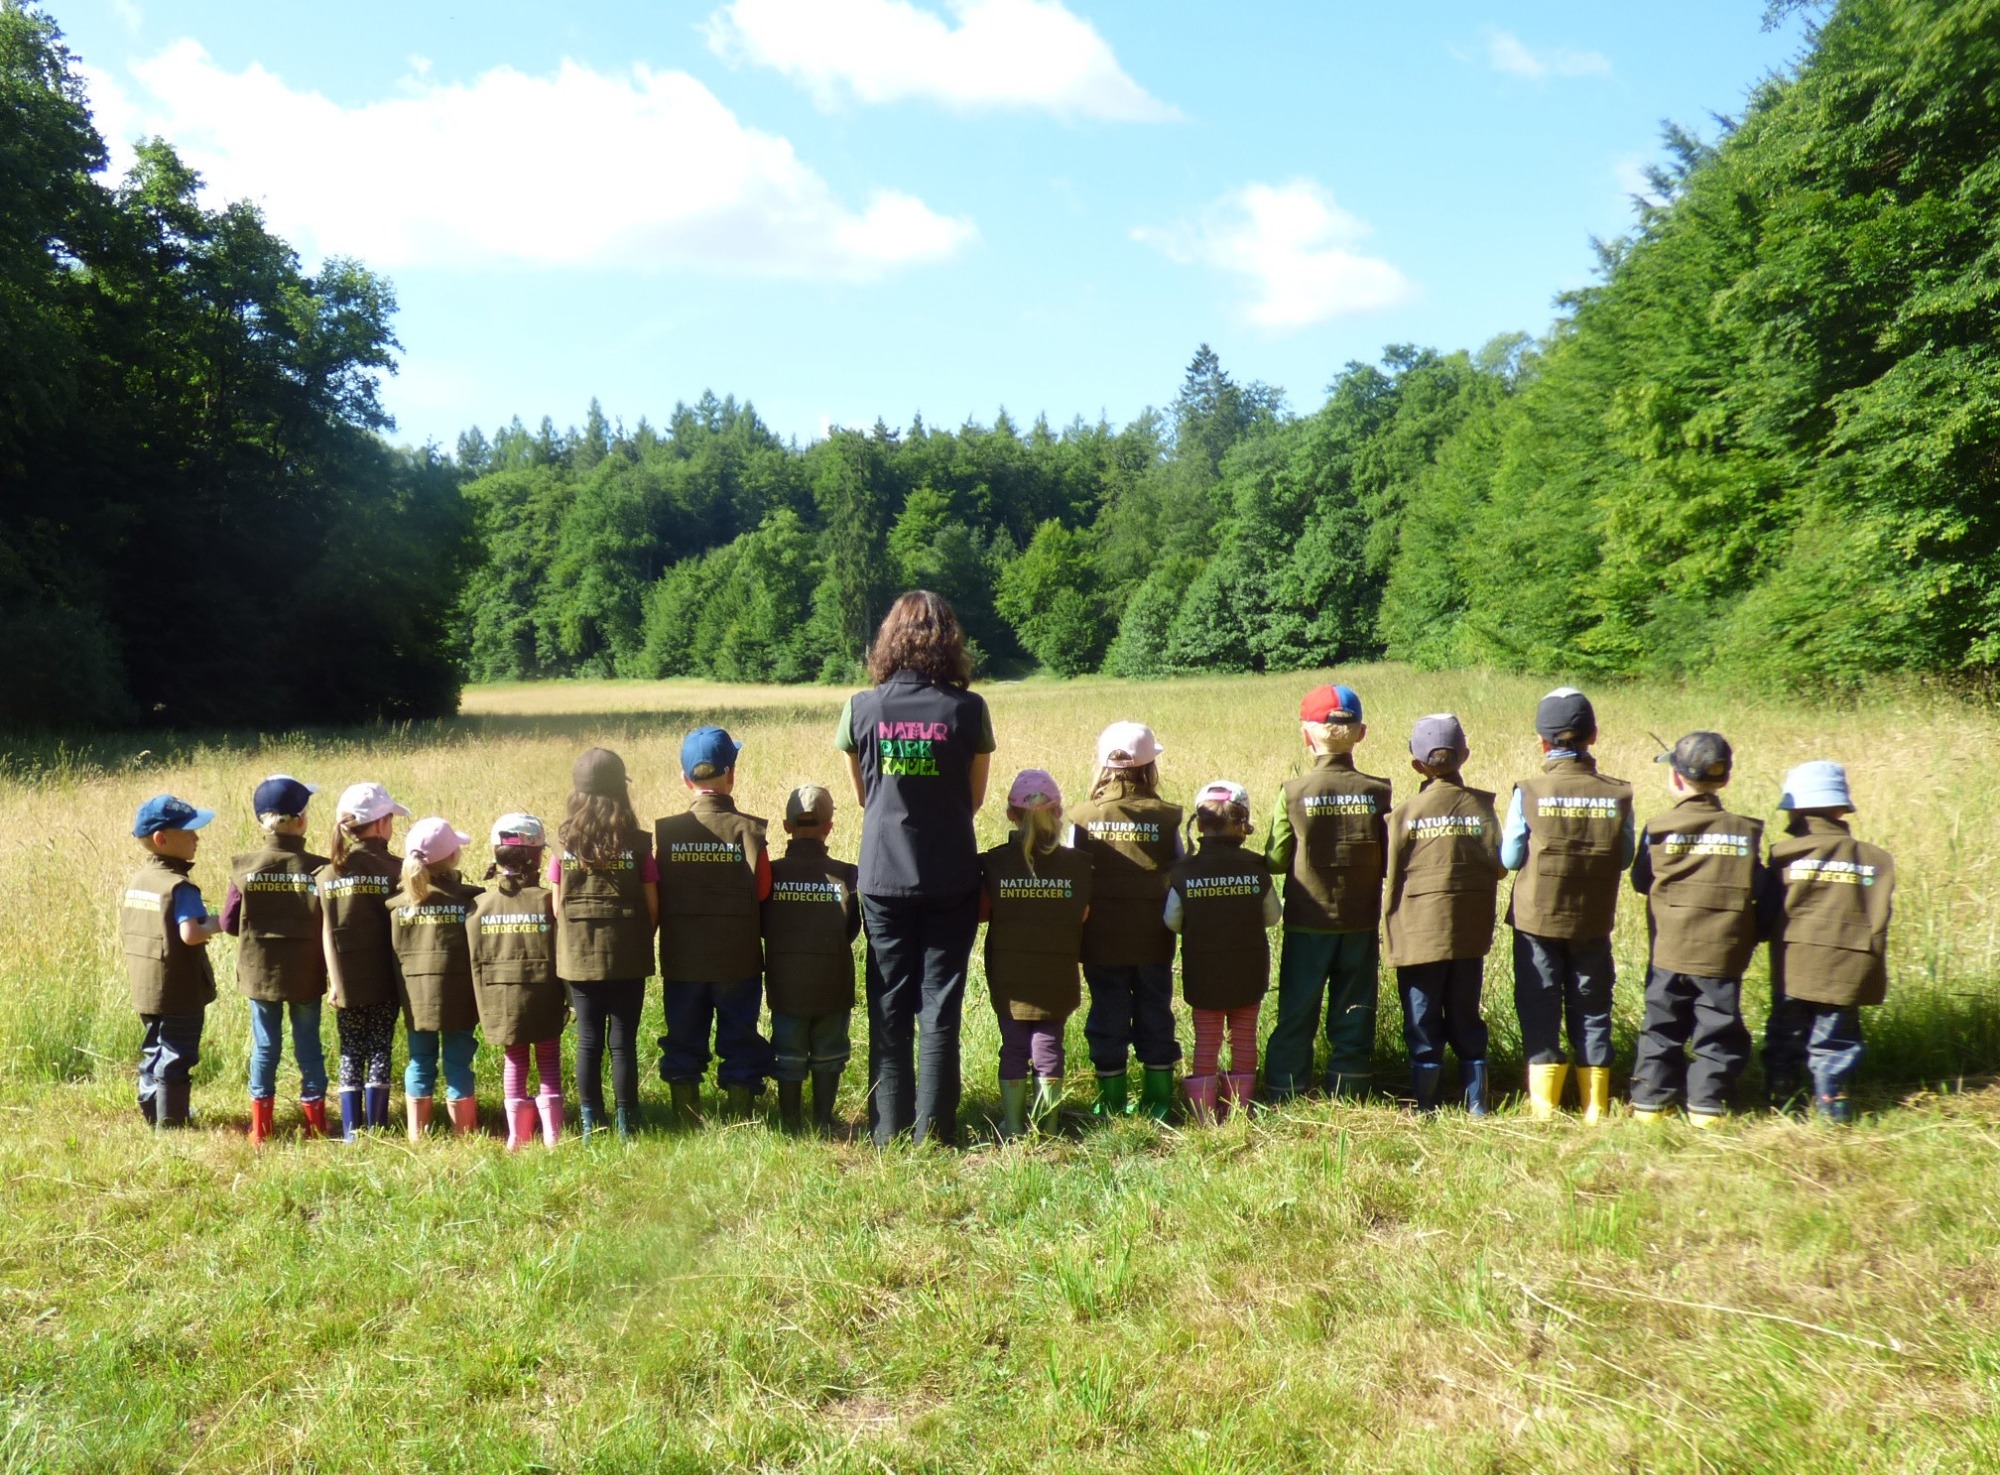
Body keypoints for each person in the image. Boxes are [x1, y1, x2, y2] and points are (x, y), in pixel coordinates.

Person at [838, 591, 995, 1148]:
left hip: (883, 874)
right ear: (950, 641)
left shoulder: (861, 708)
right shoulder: (969, 710)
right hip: (952, 871)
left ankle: (887, 1130)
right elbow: (973, 798)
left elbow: (863, 794)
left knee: (887, 1002)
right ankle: (936, 1130)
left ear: (889, 641)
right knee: (940, 1003)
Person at [1500, 688, 1634, 1124]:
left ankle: (1545, 1107)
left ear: (1542, 741)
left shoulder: (1530, 791)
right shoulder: (1618, 794)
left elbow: (1510, 858)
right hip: (1593, 919)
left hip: (1536, 919)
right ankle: (1596, 1106)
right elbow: (1626, 856)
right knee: (1592, 1003)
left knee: (1539, 1001)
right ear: (1593, 735)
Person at [1263, 684, 1392, 1102]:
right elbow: (1387, 857)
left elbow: (1277, 858)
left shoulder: (1293, 792)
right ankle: (1349, 1088)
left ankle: (1286, 1087)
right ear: (1362, 733)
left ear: (1306, 735)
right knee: (1355, 1009)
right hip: (1360, 920)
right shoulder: (1378, 792)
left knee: (1297, 1009)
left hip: (1307, 921)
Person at [1628, 731, 1765, 1127]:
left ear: (1675, 778)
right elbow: (1758, 886)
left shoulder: (1659, 828)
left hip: (1669, 950)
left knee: (1660, 1026)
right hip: (1723, 954)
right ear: (1726, 779)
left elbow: (1641, 880)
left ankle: (1650, 1106)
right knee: (1718, 1027)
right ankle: (1707, 1107)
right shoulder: (1746, 832)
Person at [1382, 714, 1504, 1116]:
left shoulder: (1402, 815)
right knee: (1466, 1014)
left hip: (1418, 934)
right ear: (1465, 755)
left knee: (1421, 1017)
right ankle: (1476, 1103)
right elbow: (1499, 866)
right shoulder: (1483, 808)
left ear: (1416, 765)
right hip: (1469, 933)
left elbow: (1390, 872)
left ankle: (1425, 1104)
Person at [1759, 761, 1894, 1124]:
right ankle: (1833, 1108)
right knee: (1834, 1041)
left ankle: (1781, 1103)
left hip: (1794, 968)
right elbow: (1880, 919)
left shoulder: (1783, 857)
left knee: (1785, 1037)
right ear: (1841, 808)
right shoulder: (1877, 860)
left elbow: (1765, 915)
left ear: (1794, 810)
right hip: (1846, 971)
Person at [656, 725, 773, 1124]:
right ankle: (740, 1114)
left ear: (685, 779)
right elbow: (762, 891)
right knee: (740, 1037)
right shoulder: (750, 830)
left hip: (682, 960)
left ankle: (686, 1115)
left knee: (683, 1037)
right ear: (732, 773)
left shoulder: (667, 833)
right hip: (737, 960)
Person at [1066, 721, 1183, 1121]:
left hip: (1100, 939)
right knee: (1155, 1010)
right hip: (1154, 938)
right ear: (1150, 769)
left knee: (1107, 1012)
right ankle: (1159, 1100)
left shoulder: (1081, 817)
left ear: (1102, 765)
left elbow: (1071, 875)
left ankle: (1110, 1100)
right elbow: (1181, 872)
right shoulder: (1168, 816)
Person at [980, 770, 1093, 1139]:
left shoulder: (994, 864)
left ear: (1011, 815)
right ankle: (1049, 1126)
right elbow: (1083, 914)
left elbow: (983, 911)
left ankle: (1012, 1127)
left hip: (1010, 977)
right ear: (1058, 813)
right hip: (1057, 973)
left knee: (1013, 1047)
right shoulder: (1079, 866)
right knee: (1049, 1045)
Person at [552, 748, 658, 1140]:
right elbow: (652, 904)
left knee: (588, 1039)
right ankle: (628, 1122)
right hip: (628, 949)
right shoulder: (639, 843)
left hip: (578, 955)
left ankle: (589, 1121)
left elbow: (557, 905)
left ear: (576, 794)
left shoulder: (563, 845)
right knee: (622, 1041)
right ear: (621, 792)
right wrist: (635, 937)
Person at [222, 775, 329, 1144]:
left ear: (260, 821)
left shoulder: (245, 868)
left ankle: (260, 1129)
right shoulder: (319, 868)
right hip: (306, 973)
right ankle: (316, 1126)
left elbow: (228, 924)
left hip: (260, 974)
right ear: (302, 820)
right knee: (308, 1046)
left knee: (266, 1046)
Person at [1165, 781, 1279, 1124]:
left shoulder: (1184, 872)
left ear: (1199, 824)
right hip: (1248, 970)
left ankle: (1204, 1115)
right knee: (1244, 1036)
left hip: (1204, 974)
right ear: (1242, 823)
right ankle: (1240, 1111)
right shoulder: (1256, 868)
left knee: (1207, 1041)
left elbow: (1171, 920)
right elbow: (1273, 916)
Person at [120, 794, 225, 1130]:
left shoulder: (140, 881)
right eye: (189, 831)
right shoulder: (179, 887)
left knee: (154, 1049)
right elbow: (191, 933)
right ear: (162, 839)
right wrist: (218, 922)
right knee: (178, 1053)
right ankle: (172, 1121)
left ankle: (153, 1110)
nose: (197, 837)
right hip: (180, 989)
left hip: (146, 986)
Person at [761, 785, 861, 1135]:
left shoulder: (771, 874)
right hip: (832, 981)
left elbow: (761, 924)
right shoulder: (848, 874)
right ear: (829, 827)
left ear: (786, 827)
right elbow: (853, 928)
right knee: (830, 1053)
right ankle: (823, 1119)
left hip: (786, 984)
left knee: (787, 1054)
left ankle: (789, 1121)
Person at [319, 782, 410, 1142]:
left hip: (347, 980)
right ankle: (377, 1126)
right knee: (380, 1047)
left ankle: (350, 1131)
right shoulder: (397, 870)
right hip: (387, 978)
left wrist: (334, 982)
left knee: (351, 1050)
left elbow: (327, 931)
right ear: (381, 824)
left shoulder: (328, 873)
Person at [470, 813, 565, 1151]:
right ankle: (554, 1135)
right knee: (549, 1057)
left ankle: (517, 1136)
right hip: (543, 993)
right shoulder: (547, 901)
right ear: (538, 856)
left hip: (500, 998)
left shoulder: (479, 906)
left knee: (515, 1059)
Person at [389, 817, 484, 1139]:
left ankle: (417, 1134)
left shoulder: (397, 905)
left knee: (419, 1060)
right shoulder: (469, 901)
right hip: (459, 996)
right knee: (458, 1062)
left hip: (416, 1001)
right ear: (453, 857)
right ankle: (464, 1133)